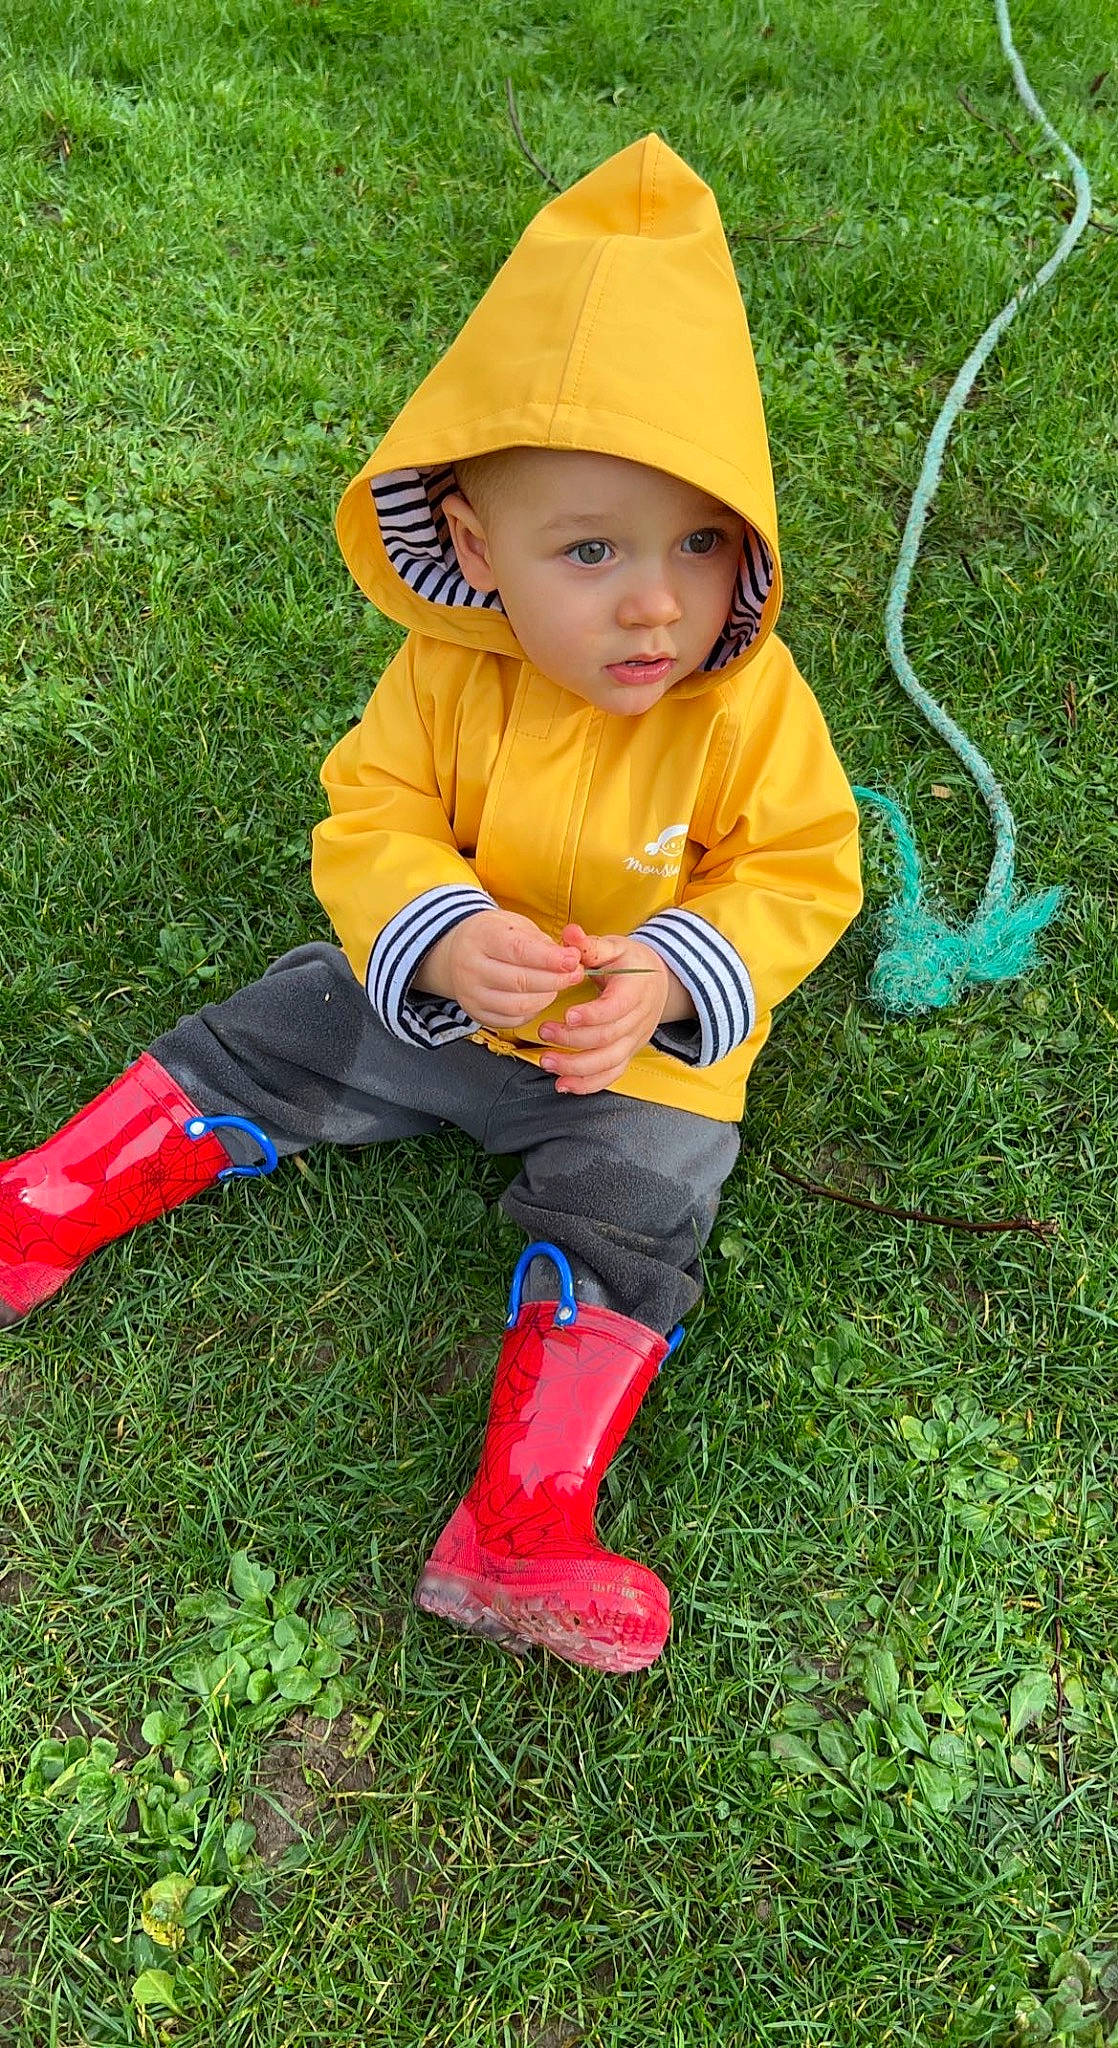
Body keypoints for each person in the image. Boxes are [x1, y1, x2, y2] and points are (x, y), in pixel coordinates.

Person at [0, 136, 862, 1674]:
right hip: (436, 1006)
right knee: (269, 1026)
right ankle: (43, 1207)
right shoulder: (444, 671)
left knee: (651, 1197)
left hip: (627, 1057)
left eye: (700, 540)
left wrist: (672, 980)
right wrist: (444, 933)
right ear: (474, 547)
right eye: (588, 550)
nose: (656, 601)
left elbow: (798, 863)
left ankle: (523, 1520)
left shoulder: (749, 699)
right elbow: (375, 811)